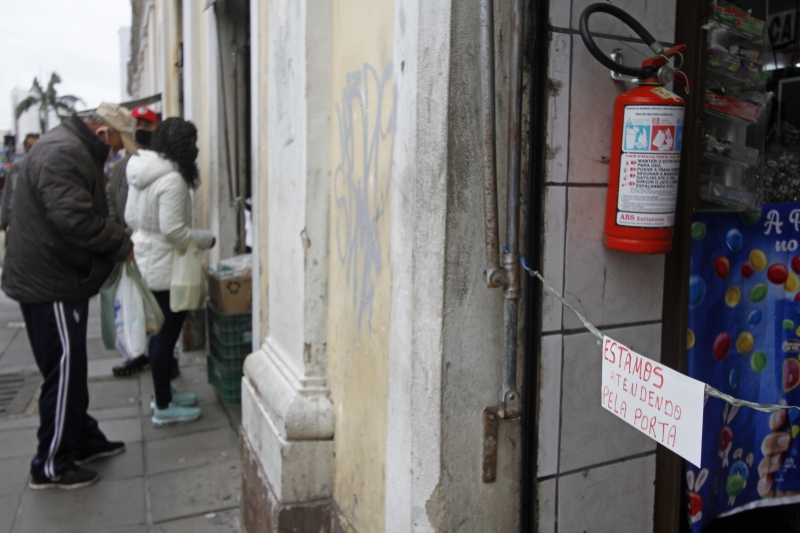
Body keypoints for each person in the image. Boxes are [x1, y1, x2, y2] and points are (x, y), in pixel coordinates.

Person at [1, 103, 136, 490]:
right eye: (115, 142)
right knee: (63, 373)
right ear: (100, 133)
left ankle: (82, 439)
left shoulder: (65, 147)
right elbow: (73, 218)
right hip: (51, 282)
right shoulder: (65, 152)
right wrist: (119, 243)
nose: (115, 151)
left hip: (51, 275)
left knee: (69, 369)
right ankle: (51, 464)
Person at [125, 117, 215, 427]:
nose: (196, 149)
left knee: (159, 336)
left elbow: (129, 216)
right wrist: (206, 239)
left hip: (147, 262)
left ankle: (162, 394)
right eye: (192, 143)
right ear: (179, 144)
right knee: (165, 338)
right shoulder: (172, 180)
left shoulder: (142, 172)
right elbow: (175, 231)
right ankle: (163, 405)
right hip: (164, 268)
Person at [108, 106, 160, 378]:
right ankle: (137, 353)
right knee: (134, 307)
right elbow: (110, 202)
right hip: (128, 245)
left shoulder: (156, 165)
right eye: (137, 123)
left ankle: (154, 357)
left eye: (146, 124)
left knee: (152, 307)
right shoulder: (121, 167)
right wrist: (119, 239)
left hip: (147, 249)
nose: (141, 128)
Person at [0, 133, 40, 230]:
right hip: (19, 222)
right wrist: (3, 221)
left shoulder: (48, 167)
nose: (33, 149)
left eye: (36, 146)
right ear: (25, 148)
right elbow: (8, 196)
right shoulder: (16, 168)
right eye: (30, 146)